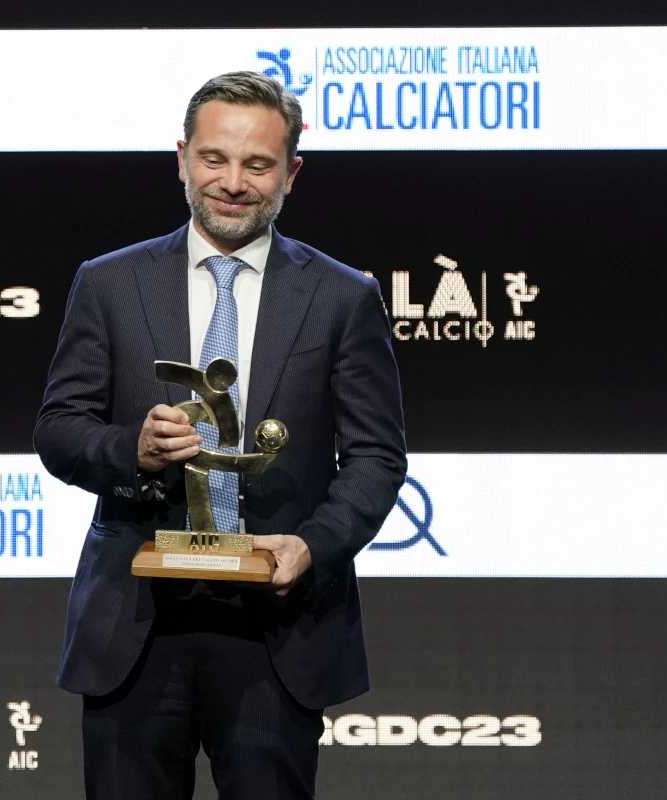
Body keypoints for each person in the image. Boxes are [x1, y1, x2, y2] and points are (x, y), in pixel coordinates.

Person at [34, 70, 407, 800]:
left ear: (291, 174)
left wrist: (312, 544)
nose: (233, 182)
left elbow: (376, 457)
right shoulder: (109, 283)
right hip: (135, 625)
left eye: (258, 164)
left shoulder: (342, 298)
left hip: (277, 626)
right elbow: (59, 430)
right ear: (181, 158)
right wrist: (131, 451)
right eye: (214, 159)